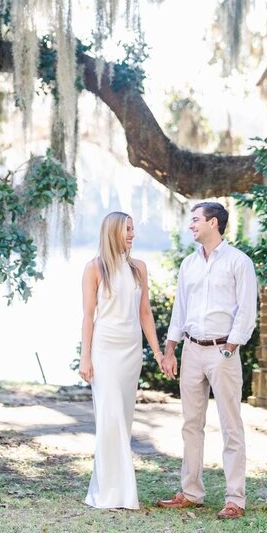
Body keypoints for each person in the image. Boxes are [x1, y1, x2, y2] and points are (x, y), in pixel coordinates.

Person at [156, 200, 258, 520]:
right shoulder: (189, 264)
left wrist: (230, 347)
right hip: (191, 349)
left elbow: (247, 310)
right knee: (191, 424)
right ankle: (191, 492)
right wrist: (171, 348)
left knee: (230, 425)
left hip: (221, 351)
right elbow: (180, 309)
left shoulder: (239, 262)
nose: (191, 225)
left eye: (196, 219)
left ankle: (235, 499)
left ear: (213, 223)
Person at [79, 211, 164, 510]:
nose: (132, 234)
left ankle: (116, 490)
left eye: (133, 229)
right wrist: (84, 357)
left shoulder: (139, 268)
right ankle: (112, 492)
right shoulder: (94, 269)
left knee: (123, 420)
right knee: (109, 418)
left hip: (131, 352)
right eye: (127, 229)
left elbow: (145, 314)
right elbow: (88, 316)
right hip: (104, 351)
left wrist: (157, 351)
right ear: (113, 232)